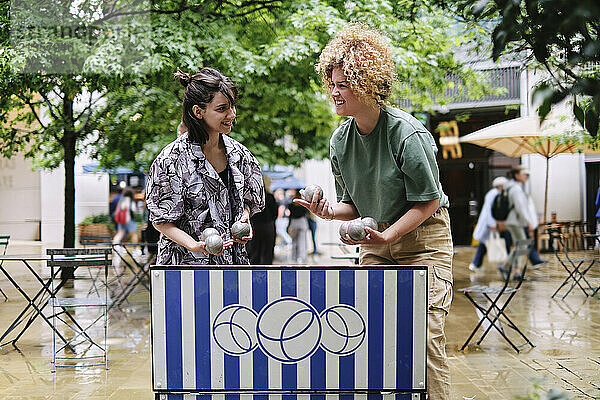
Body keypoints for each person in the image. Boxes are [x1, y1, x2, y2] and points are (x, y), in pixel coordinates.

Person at [295, 23, 453, 399]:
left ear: (367, 82)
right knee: (369, 336)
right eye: (331, 82)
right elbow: (352, 205)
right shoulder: (340, 141)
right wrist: (329, 213)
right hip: (376, 243)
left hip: (423, 241)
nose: (334, 91)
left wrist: (391, 234)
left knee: (425, 338)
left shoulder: (407, 134)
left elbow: (429, 199)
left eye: (343, 83)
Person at [145, 67, 264, 265]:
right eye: (222, 108)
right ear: (198, 111)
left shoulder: (241, 155)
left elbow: (248, 203)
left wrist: (244, 218)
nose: (232, 114)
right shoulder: (169, 160)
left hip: (233, 268)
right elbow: (161, 222)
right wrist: (193, 245)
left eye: (232, 106)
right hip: (185, 272)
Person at [504, 166, 547, 275]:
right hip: (515, 221)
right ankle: (506, 266)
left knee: (521, 244)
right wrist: (529, 222)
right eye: (524, 174)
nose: (526, 176)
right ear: (517, 175)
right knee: (522, 245)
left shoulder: (515, 187)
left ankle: (516, 271)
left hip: (515, 221)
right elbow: (520, 208)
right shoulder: (516, 189)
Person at [469, 177, 512, 271]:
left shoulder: (498, 194)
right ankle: (476, 264)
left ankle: (477, 264)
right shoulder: (493, 194)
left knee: (485, 244)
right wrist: (492, 223)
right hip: (490, 225)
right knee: (485, 244)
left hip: (494, 224)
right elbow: (489, 210)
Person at [246, 176, 278, 265]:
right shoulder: (270, 196)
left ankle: (254, 272)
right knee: (268, 252)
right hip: (268, 226)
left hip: (255, 226)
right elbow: (275, 213)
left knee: (254, 251)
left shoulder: (254, 197)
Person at [287, 189, 309, 263]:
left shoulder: (291, 204)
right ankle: (302, 257)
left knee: (294, 241)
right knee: (302, 240)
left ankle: (294, 257)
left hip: (294, 222)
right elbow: (306, 213)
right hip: (302, 221)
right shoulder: (304, 204)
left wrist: (288, 225)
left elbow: (290, 215)